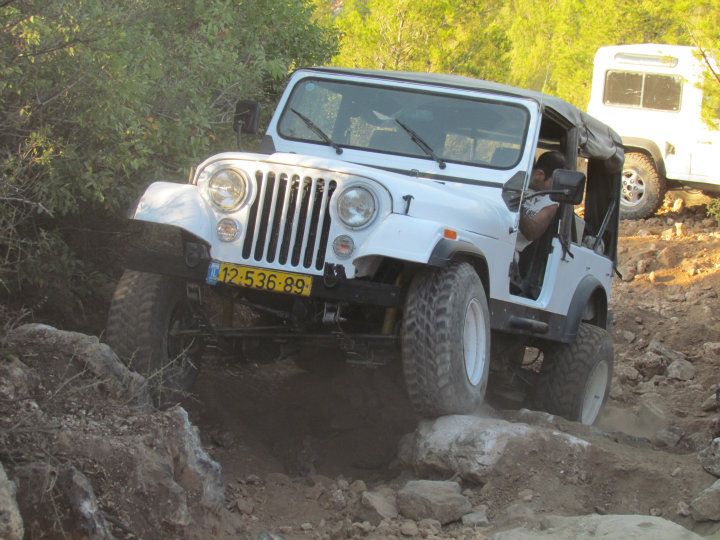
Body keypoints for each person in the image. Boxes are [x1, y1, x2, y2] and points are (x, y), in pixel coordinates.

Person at [515, 150, 567, 252]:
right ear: (540, 175)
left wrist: (518, 209)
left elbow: (532, 233)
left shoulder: (551, 203)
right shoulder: (514, 180)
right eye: (554, 181)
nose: (556, 187)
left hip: (511, 249)